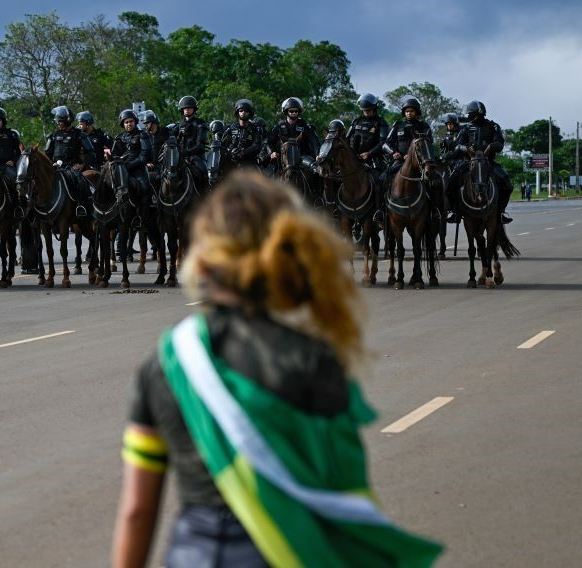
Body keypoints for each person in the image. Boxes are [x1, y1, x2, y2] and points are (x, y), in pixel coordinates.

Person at [111, 171, 444, 568]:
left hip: (195, 555)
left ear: (202, 263)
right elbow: (345, 491)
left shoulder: (166, 361)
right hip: (288, 553)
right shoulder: (313, 358)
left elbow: (136, 511)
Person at [447, 100, 513, 224]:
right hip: (468, 162)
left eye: (470, 114)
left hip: (488, 162)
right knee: (451, 183)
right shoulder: (466, 128)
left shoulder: (493, 126)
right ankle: (455, 211)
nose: (468, 116)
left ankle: (501, 212)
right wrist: (465, 148)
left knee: (507, 184)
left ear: (478, 114)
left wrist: (491, 146)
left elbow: (500, 143)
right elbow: (457, 146)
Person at [378, 96, 434, 223]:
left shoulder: (423, 126)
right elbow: (386, 144)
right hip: (399, 161)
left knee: (433, 182)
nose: (409, 113)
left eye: (412, 111)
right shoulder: (398, 125)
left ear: (416, 112)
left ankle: (434, 210)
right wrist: (394, 152)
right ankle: (381, 210)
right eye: (407, 111)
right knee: (382, 179)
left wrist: (413, 155)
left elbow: (429, 143)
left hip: (419, 163)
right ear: (404, 112)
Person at [45, 105, 96, 216]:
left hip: (73, 168)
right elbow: (47, 154)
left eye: (59, 121)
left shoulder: (79, 134)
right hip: (57, 168)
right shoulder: (53, 136)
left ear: (67, 120)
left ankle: (80, 206)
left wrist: (82, 165)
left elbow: (91, 152)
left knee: (80, 182)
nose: (57, 123)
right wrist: (50, 163)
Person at [109, 109, 152, 206]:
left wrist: (128, 165)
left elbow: (144, 156)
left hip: (138, 170)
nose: (129, 124)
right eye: (126, 122)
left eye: (131, 121)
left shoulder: (143, 135)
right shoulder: (119, 137)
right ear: (123, 124)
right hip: (121, 170)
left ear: (135, 121)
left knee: (144, 187)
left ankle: (144, 216)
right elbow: (114, 154)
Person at [267, 97, 319, 175]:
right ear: (286, 112)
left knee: (315, 170)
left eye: (296, 111)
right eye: (291, 111)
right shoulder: (279, 126)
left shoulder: (304, 125)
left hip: (301, 156)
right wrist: (271, 152)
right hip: (282, 156)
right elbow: (269, 142)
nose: (294, 113)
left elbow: (314, 141)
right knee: (268, 174)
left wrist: (317, 154)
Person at [348, 93, 390, 170]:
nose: (366, 112)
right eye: (364, 110)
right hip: (354, 158)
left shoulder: (381, 123)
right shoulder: (356, 121)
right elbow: (347, 138)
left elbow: (383, 142)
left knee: (380, 180)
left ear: (374, 109)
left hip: (374, 159)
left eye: (369, 110)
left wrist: (369, 154)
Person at [222, 99, 268, 169]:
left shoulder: (255, 128)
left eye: (246, 111)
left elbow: (257, 145)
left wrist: (243, 153)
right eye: (241, 111)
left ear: (250, 113)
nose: (243, 112)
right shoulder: (231, 128)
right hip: (232, 162)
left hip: (250, 163)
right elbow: (223, 144)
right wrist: (231, 151)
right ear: (237, 112)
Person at [173, 96, 208, 187]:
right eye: (185, 108)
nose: (187, 110)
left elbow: (200, 146)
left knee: (203, 172)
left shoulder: (200, 123)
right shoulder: (179, 124)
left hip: (196, 158)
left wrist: (186, 153)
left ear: (194, 109)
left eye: (189, 108)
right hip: (180, 158)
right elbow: (171, 139)